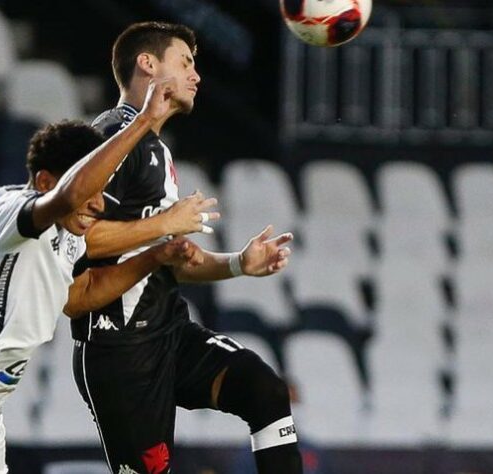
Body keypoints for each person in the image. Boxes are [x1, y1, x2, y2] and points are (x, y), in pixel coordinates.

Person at [0, 79, 205, 474]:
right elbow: (69, 195)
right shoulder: (7, 210)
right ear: (45, 182)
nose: (98, 204)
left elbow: (84, 292)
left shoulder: (68, 236)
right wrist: (145, 120)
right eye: (92, 190)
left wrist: (156, 256)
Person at [70, 22, 302, 474]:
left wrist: (238, 263)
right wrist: (163, 224)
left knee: (265, 391)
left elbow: (166, 262)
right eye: (186, 62)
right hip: (119, 351)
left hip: (169, 333)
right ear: (148, 64)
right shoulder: (112, 137)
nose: (197, 76)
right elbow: (77, 236)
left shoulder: (159, 151)